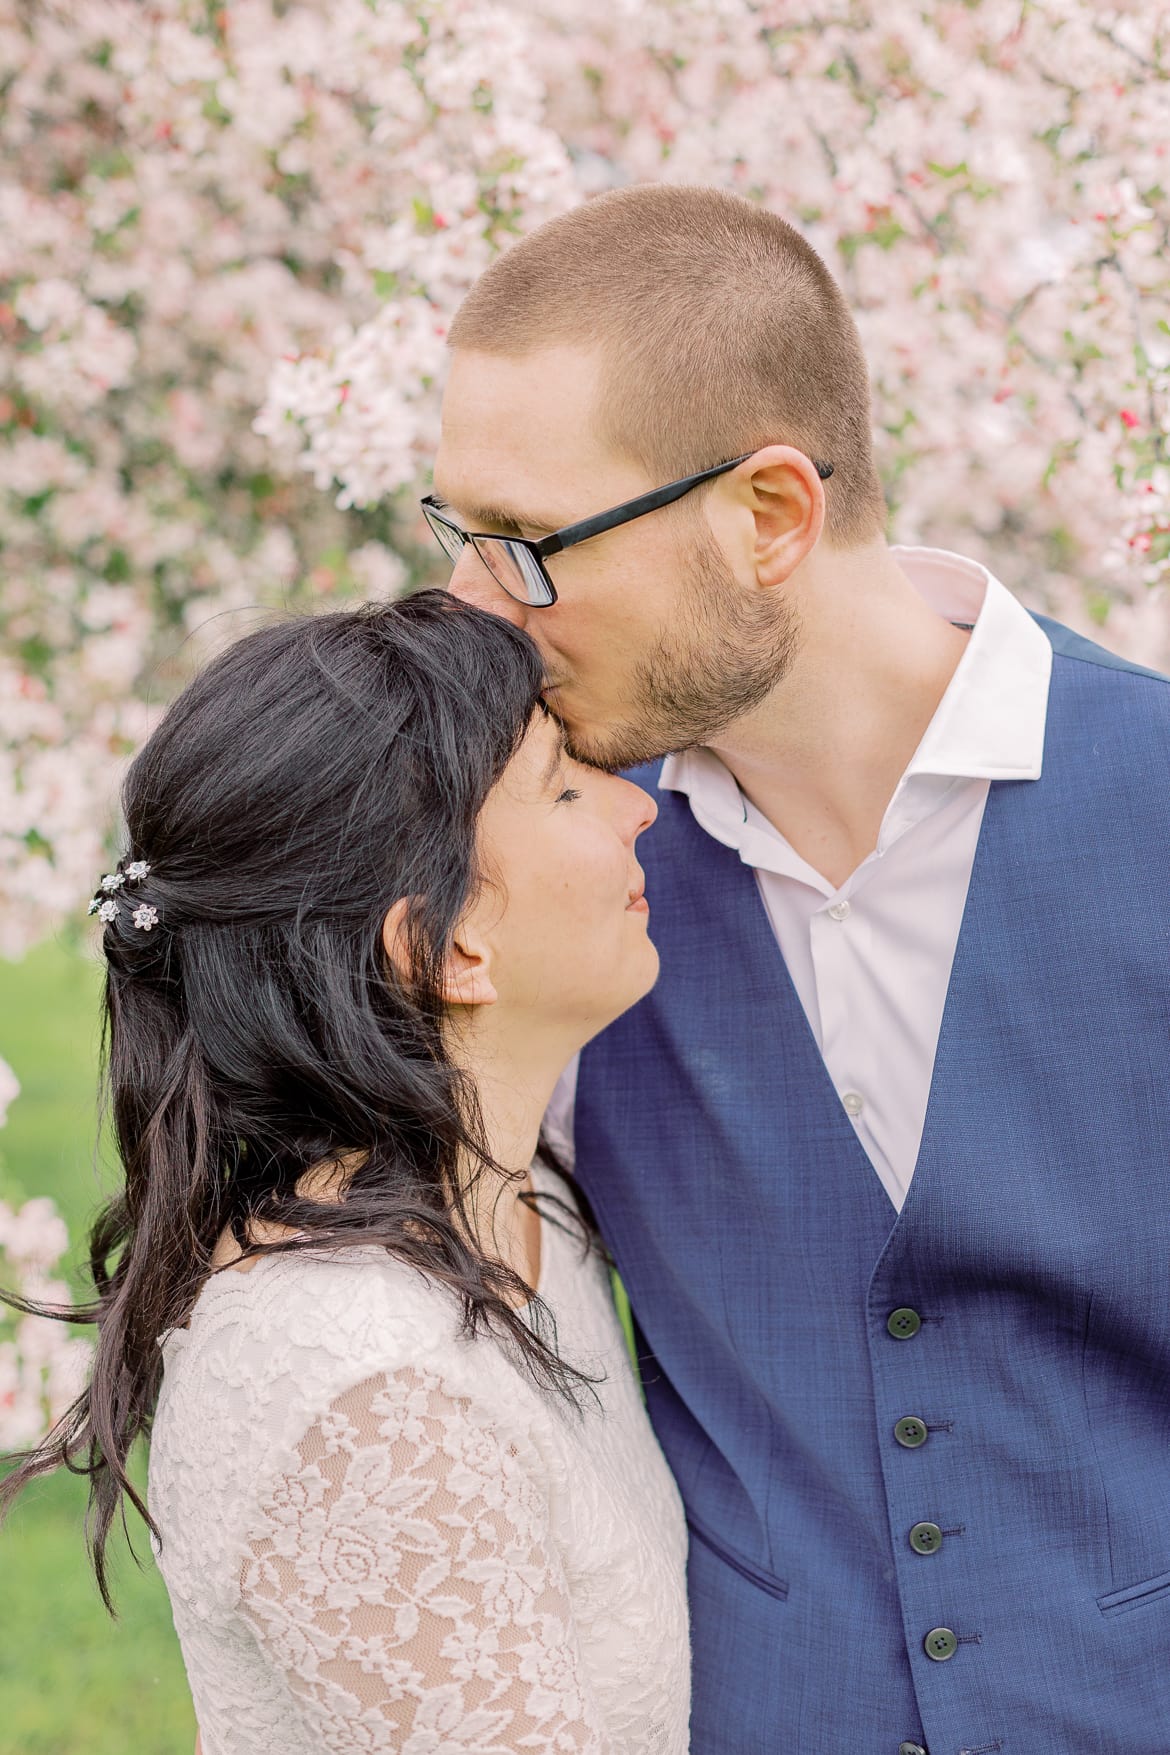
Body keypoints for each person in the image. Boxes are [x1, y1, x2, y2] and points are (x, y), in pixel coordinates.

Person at [426, 183, 1170, 1753]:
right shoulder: (547, 877)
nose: (474, 609)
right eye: (459, 537)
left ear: (770, 511)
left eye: (527, 546)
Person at [0, 594, 690, 1754]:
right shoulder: (366, 1397)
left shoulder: (517, 1203)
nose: (638, 804)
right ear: (445, 947)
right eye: (565, 786)